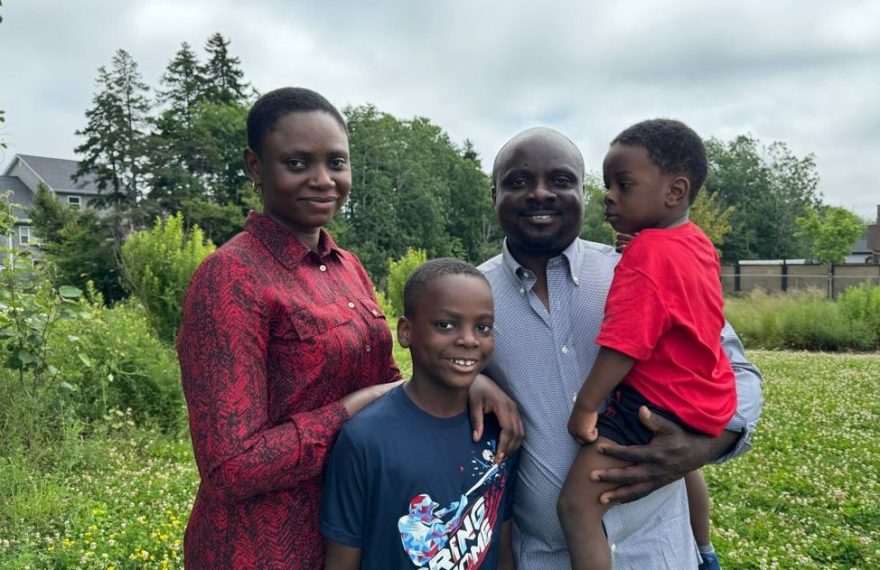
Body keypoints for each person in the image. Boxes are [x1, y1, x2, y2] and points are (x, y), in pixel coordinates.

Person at [177, 88, 523, 569]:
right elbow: (231, 467)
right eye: (297, 164)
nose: (323, 181)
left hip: (354, 530)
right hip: (263, 548)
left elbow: (391, 383)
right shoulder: (231, 278)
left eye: (336, 163)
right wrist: (351, 408)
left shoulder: (347, 268)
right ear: (255, 167)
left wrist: (471, 382)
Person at [479, 127, 763, 569]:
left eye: (560, 180)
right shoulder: (468, 297)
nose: (539, 194)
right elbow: (435, 383)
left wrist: (704, 445)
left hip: (663, 552)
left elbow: (735, 368)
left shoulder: (641, 267)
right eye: (517, 182)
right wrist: (475, 383)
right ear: (493, 193)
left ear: (583, 193)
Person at [556, 119, 735, 570]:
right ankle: (705, 550)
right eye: (606, 184)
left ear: (674, 191)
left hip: (657, 400)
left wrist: (586, 406)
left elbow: (623, 345)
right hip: (704, 399)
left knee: (576, 508)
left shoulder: (646, 254)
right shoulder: (695, 244)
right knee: (681, 462)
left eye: (624, 185)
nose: (609, 196)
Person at [322, 259, 518, 570]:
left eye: (482, 327)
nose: (469, 339)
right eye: (446, 325)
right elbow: (342, 561)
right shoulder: (364, 440)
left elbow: (501, 549)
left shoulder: (499, 430)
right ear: (406, 332)